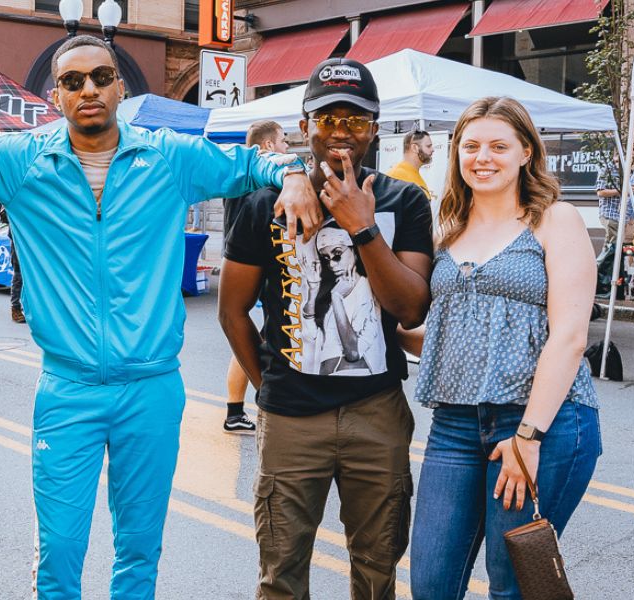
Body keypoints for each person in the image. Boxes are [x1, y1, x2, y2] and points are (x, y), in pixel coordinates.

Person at [0, 34, 319, 600]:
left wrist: (292, 175)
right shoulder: (22, 160)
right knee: (60, 554)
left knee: (140, 550)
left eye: (101, 77)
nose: (89, 89)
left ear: (120, 84)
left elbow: (251, 163)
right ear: (56, 95)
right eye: (73, 82)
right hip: (67, 390)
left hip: (151, 388)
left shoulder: (168, 156)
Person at [218, 57, 433, 600]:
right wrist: (265, 387)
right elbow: (232, 309)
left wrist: (363, 227)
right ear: (305, 124)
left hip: (376, 410)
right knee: (281, 574)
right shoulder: (264, 205)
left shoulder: (403, 201)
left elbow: (411, 308)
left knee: (377, 566)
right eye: (329, 119)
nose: (342, 133)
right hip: (291, 416)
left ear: (375, 128)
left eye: (356, 121)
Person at [408, 96, 602, 600]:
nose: (483, 157)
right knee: (430, 584)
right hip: (453, 424)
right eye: (470, 146)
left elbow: (570, 335)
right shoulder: (447, 228)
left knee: (513, 586)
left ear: (525, 153)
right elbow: (455, 337)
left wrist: (528, 436)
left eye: (498, 145)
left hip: (544, 422)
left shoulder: (555, 219)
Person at [220, 119, 291, 434]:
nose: (287, 147)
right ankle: (241, 408)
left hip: (241, 261)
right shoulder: (262, 176)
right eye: (284, 141)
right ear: (267, 146)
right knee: (255, 337)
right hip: (253, 265)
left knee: (251, 335)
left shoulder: (239, 173)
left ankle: (236, 409)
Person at [385, 129, 435, 199]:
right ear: (415, 148)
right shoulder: (395, 176)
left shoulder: (412, 174)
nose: (433, 149)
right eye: (428, 146)